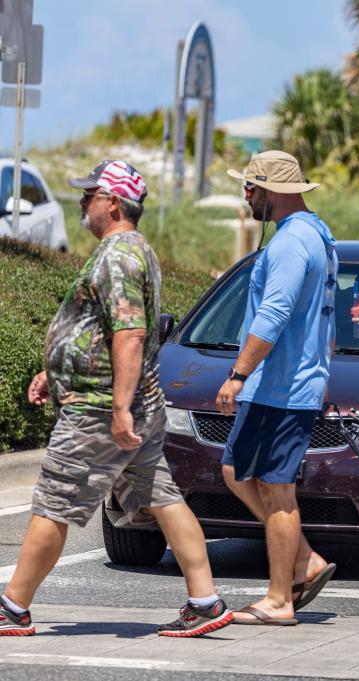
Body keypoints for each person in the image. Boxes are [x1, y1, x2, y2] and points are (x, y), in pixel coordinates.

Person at [0, 161, 232, 637]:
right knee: (162, 497)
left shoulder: (119, 256)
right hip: (128, 400)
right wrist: (56, 368)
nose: (83, 202)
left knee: (55, 501)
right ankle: (205, 601)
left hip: (99, 409)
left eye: (91, 194)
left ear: (114, 202)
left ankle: (12, 607)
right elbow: (105, 332)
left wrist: (119, 407)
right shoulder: (133, 251)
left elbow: (130, 333)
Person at [218, 151, 338, 626]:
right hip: (288, 383)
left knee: (277, 488)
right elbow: (325, 321)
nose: (246, 195)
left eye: (251, 187)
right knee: (235, 471)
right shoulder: (320, 235)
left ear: (273, 191)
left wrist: (238, 374)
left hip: (279, 386)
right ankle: (305, 560)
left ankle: (279, 599)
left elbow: (275, 314)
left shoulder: (291, 243)